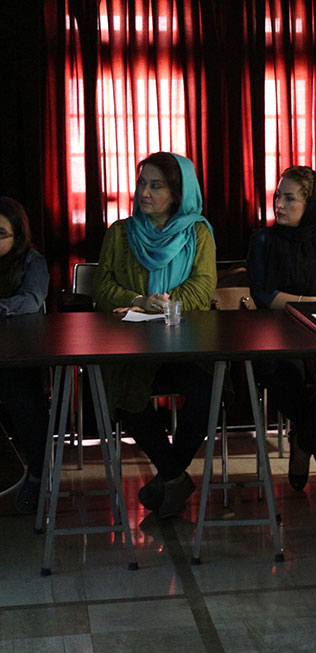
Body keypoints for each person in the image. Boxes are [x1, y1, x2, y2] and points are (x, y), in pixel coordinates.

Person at [94, 151, 217, 519]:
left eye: (156, 186)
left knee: (208, 389)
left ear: (178, 193)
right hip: (133, 345)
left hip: (186, 342)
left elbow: (202, 286)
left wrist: (163, 305)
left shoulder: (198, 233)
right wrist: (139, 301)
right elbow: (103, 287)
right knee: (123, 391)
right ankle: (175, 476)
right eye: (142, 184)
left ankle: (167, 478)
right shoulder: (120, 233)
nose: (144, 193)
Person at [247, 166, 316, 490]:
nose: (278, 204)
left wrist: (292, 301)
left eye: (289, 198)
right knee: (275, 368)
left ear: (310, 205)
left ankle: (303, 441)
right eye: (277, 196)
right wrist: (306, 301)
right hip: (274, 329)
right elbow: (262, 294)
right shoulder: (262, 239)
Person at [0, 197, 50, 513]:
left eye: (0, 234)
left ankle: (36, 474)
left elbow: (31, 300)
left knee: (21, 394)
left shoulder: (32, 261)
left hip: (23, 353)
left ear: (17, 236)